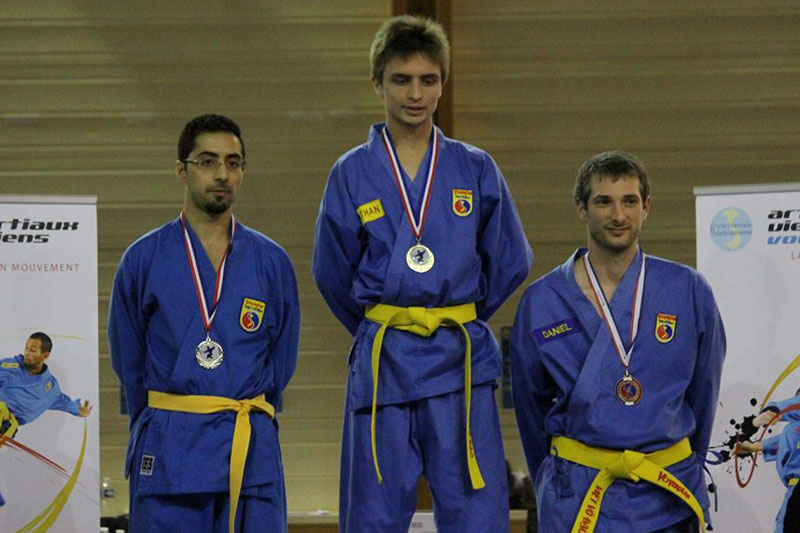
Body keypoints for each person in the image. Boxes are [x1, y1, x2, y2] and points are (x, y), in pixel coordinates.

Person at [313, 15, 532, 533]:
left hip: (459, 358)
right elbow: (330, 271)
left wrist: (462, 314)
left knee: (475, 511)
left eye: (428, 80)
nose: (415, 93)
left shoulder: (475, 168)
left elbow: (510, 260)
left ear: (442, 84)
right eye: (401, 79)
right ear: (377, 83)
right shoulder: (351, 172)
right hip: (384, 357)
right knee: (373, 513)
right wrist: (383, 321)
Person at [510, 150, 726, 532]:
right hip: (580, 492)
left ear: (647, 207)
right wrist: (558, 474)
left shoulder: (688, 289)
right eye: (603, 202)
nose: (618, 215)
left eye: (629, 201)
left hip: (666, 491)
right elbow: (530, 409)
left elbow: (704, 393)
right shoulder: (543, 300)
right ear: (581, 209)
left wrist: (678, 456)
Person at [108, 114, 300, 533]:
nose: (222, 174)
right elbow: (129, 363)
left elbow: (281, 365)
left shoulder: (272, 262)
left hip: (249, 448)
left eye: (234, 163)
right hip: (170, 448)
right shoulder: (143, 260)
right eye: (208, 161)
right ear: (181, 169)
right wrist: (162, 419)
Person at [0, 331, 92, 507]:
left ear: (45, 355)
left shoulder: (50, 389)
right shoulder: (8, 367)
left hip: (8, 426)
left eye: (33, 350)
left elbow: (68, 404)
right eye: (26, 348)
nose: (27, 352)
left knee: (8, 426)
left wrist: (81, 411)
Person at [736, 390, 800, 532]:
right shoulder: (793, 429)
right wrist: (754, 447)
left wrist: (775, 410)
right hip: (793, 489)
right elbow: (786, 441)